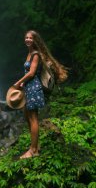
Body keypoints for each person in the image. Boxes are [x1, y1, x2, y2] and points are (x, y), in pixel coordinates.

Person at [13, 30, 68, 159]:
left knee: (33, 118)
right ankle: (35, 145)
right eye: (26, 37)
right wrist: (22, 84)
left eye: (30, 38)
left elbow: (32, 73)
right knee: (28, 116)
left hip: (33, 88)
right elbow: (29, 72)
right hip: (28, 87)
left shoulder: (36, 54)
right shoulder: (30, 53)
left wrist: (18, 82)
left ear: (35, 40)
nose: (27, 40)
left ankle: (33, 151)